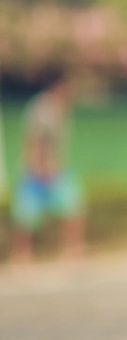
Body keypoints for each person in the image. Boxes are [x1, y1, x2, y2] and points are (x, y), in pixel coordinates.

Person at [11, 78, 86, 263]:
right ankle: (22, 254)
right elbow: (37, 139)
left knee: (73, 206)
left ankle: (72, 250)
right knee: (26, 214)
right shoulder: (45, 109)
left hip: (55, 168)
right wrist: (42, 167)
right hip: (40, 169)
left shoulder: (61, 108)